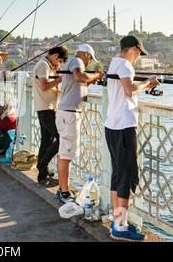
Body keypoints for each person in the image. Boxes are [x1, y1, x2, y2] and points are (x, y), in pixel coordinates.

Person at [105, 36, 158, 241]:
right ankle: (120, 226)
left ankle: (116, 219)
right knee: (128, 178)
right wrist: (148, 82)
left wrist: (140, 84)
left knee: (118, 175)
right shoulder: (126, 65)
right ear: (134, 49)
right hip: (124, 126)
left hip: (112, 125)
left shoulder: (114, 62)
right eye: (139, 53)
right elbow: (129, 90)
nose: (138, 58)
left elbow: (123, 88)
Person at [56, 44, 104, 204]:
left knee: (64, 153)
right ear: (85, 54)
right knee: (66, 155)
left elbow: (77, 83)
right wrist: (96, 74)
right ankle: (64, 192)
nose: (90, 61)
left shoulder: (71, 61)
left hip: (66, 112)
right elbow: (79, 77)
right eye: (90, 57)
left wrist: (92, 79)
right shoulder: (77, 61)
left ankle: (62, 188)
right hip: (70, 114)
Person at [33, 46, 69, 185]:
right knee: (61, 137)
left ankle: (42, 175)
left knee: (46, 140)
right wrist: (60, 79)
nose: (59, 63)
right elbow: (44, 86)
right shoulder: (43, 65)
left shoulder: (46, 65)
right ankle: (42, 165)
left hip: (45, 107)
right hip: (45, 108)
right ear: (54, 56)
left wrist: (57, 73)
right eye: (59, 60)